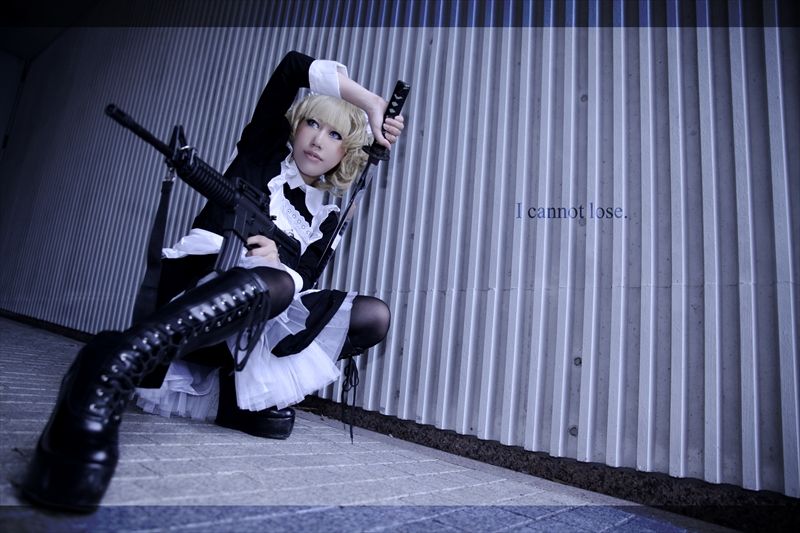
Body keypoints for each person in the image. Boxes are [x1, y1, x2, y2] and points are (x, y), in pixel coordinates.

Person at [20, 50, 405, 512]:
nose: (318, 139)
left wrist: (279, 264)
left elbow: (302, 288)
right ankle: (115, 360)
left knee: (371, 315)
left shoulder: (326, 218)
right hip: (195, 293)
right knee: (278, 284)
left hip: (245, 334)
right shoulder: (261, 153)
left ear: (346, 153)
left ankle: (234, 397)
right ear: (296, 126)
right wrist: (371, 103)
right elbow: (290, 68)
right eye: (312, 124)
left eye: (336, 134)